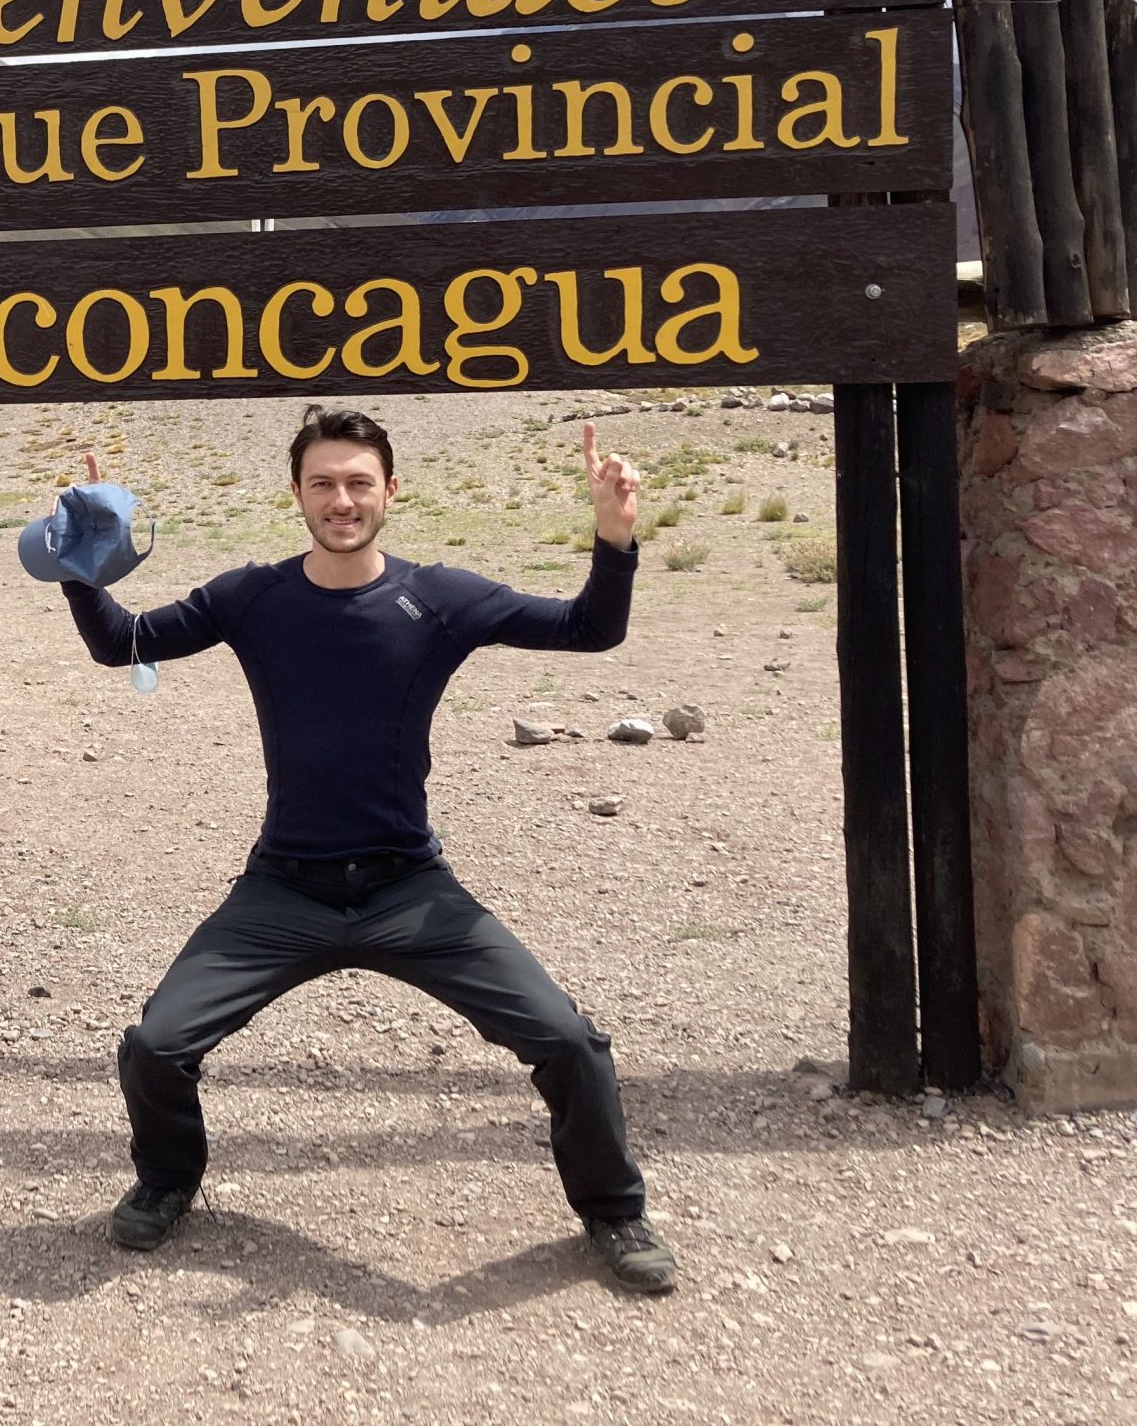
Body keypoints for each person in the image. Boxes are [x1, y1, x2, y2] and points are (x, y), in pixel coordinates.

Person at [55, 405, 676, 1294]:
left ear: (390, 491)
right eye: (323, 484)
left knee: (571, 1042)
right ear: (297, 494)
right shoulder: (252, 597)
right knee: (156, 1046)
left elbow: (589, 629)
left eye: (358, 483)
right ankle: (165, 1182)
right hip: (286, 889)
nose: (341, 500)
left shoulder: (442, 599)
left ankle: (614, 1212)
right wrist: (81, 562)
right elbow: (121, 643)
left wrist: (614, 540)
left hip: (409, 890)